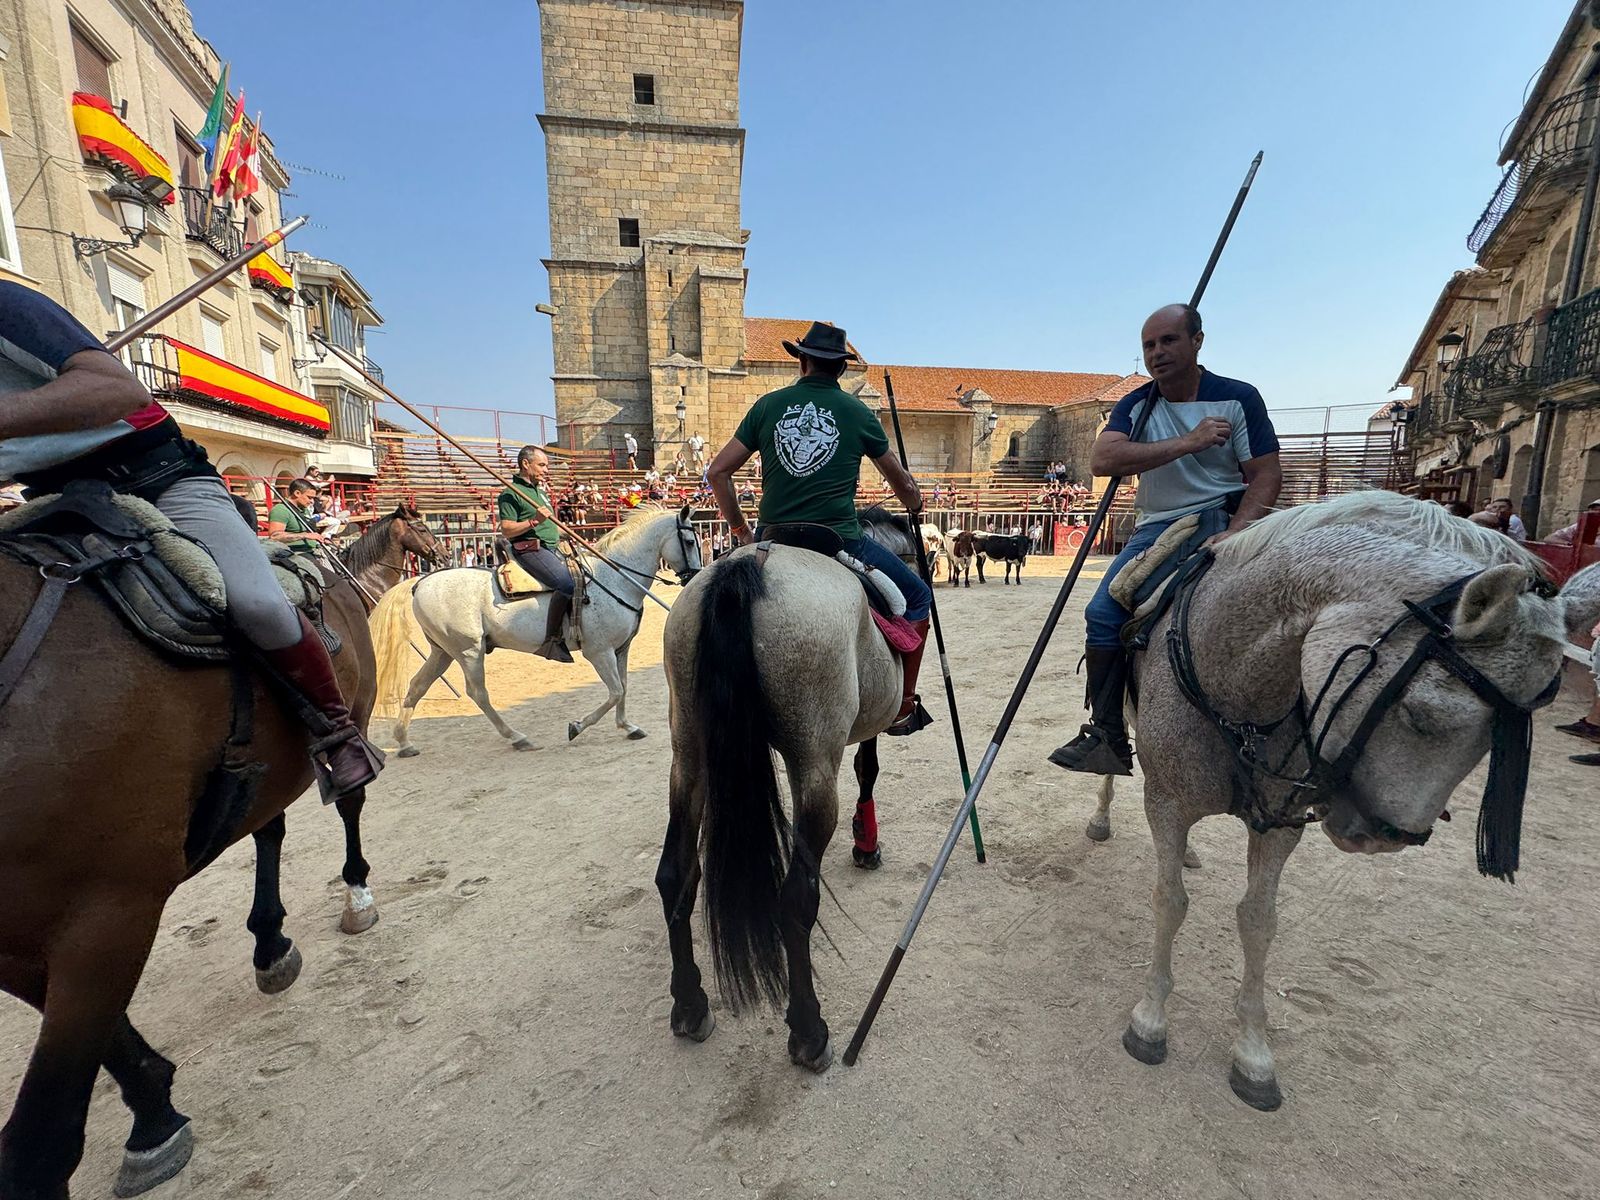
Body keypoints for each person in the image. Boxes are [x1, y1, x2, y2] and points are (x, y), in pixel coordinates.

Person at [0, 281, 381, 796]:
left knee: (257, 603)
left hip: (159, 478)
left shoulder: (8, 304)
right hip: (59, 500)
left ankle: (337, 730)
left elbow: (119, 391)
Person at [1049, 303, 1282, 775]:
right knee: (1102, 612)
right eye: (1149, 345)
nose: (1157, 353)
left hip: (1229, 517)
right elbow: (1103, 460)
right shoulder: (1138, 404)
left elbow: (1266, 474)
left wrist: (1237, 534)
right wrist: (1189, 442)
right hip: (1161, 526)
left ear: (1197, 340)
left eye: (1169, 341)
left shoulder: (1239, 398)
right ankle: (1109, 734)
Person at [706, 320, 933, 735]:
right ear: (841, 369)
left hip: (771, 539)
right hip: (838, 540)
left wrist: (739, 529)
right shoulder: (857, 412)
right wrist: (914, 504)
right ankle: (903, 703)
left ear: (803, 362)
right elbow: (901, 483)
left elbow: (718, 472)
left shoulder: (768, 405)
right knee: (919, 596)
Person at [497, 445, 576, 662]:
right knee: (566, 584)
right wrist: (534, 521)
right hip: (530, 548)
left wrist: (568, 534)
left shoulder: (539, 491)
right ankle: (551, 640)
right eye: (541, 465)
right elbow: (507, 528)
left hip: (552, 546)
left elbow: (549, 526)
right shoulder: (510, 494)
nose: (546, 470)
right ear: (525, 464)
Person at [267, 478, 331, 552]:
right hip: (296, 553)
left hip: (313, 548)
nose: (312, 501)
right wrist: (304, 535)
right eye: (309, 497)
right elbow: (275, 536)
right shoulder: (280, 510)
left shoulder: (304, 509)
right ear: (297, 493)